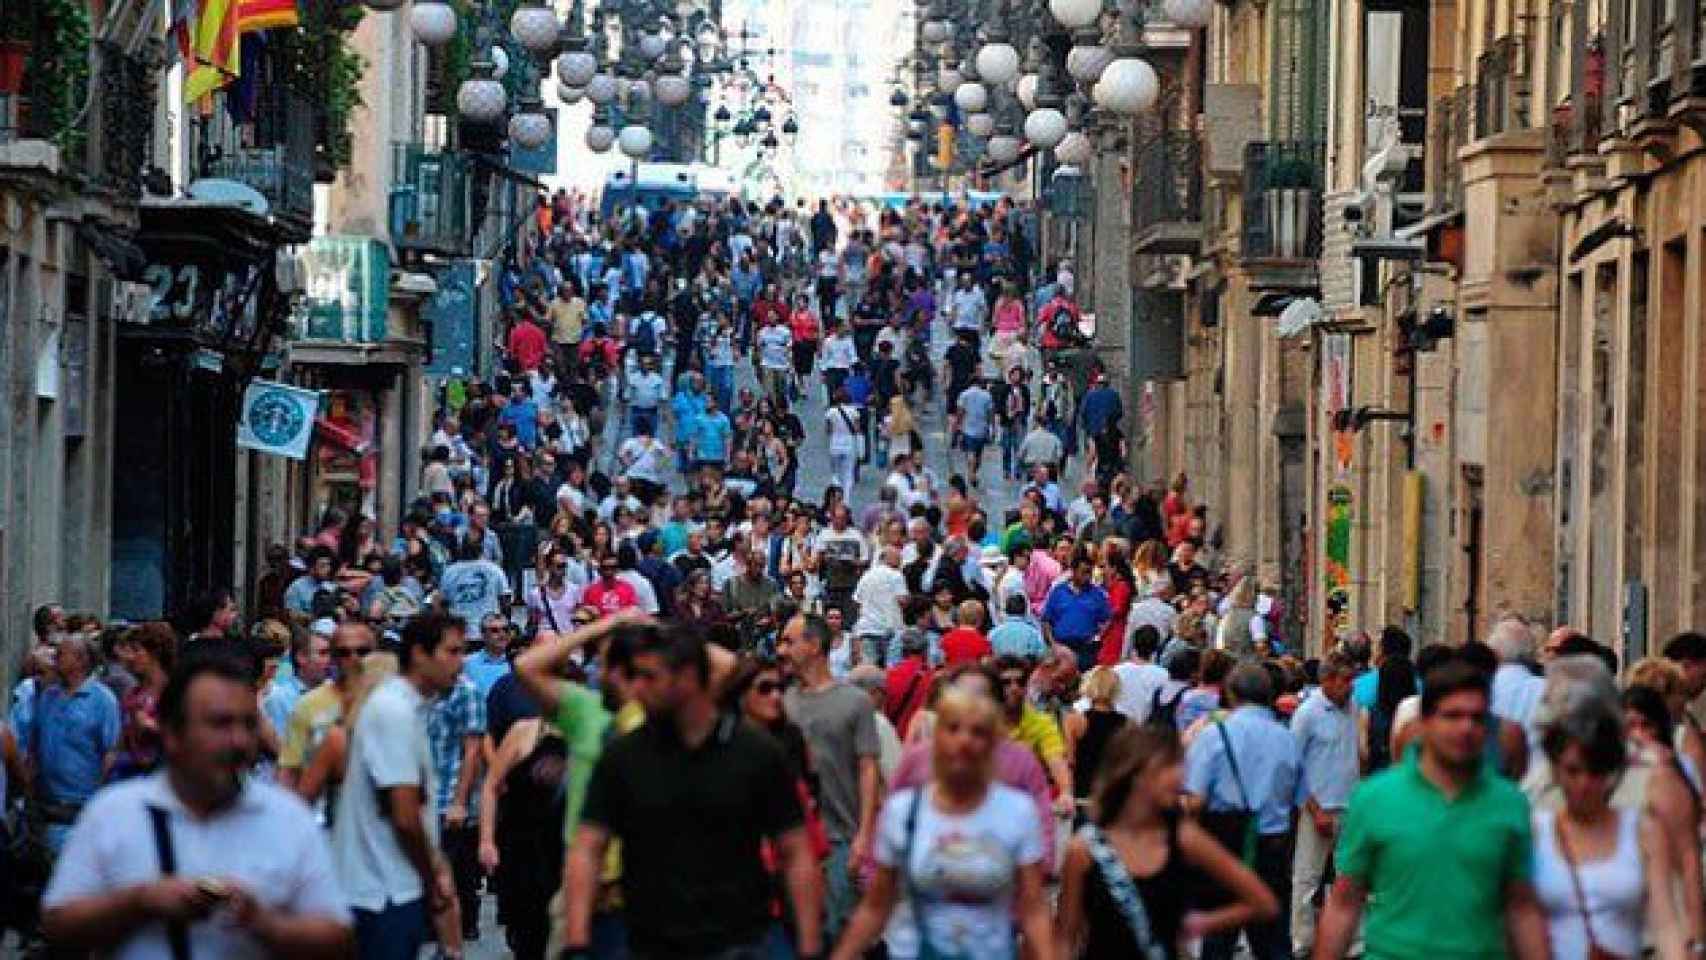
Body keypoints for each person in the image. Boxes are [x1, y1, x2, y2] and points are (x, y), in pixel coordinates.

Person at [41, 657, 353, 957]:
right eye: (220, 724)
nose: (239, 740)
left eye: (248, 724)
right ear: (173, 734)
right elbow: (57, 927)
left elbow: (338, 939)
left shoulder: (288, 819)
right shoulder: (114, 813)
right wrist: (138, 902)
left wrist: (264, 923)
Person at [565, 622, 824, 958]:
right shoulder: (623, 757)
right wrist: (577, 941)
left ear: (687, 678)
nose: (638, 689)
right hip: (652, 942)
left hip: (740, 941)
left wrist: (809, 944)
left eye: (650, 677)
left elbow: (796, 851)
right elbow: (587, 846)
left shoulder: (755, 753)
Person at [1314, 660, 1551, 960]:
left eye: (1477, 718)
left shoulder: (1509, 803)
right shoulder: (1375, 799)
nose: (1466, 728)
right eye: (1452, 716)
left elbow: (1522, 906)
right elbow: (1345, 902)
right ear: (1424, 723)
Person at [830, 685, 1055, 960]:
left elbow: (1033, 909)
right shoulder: (905, 812)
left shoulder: (1017, 813)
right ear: (936, 737)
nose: (964, 740)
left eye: (978, 731)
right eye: (953, 728)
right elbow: (877, 905)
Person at [1055, 725, 1279, 957]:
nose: (1181, 776)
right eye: (1168, 766)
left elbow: (1263, 902)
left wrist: (1201, 923)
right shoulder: (1083, 850)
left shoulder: (1184, 838)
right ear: (1135, 774)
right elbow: (1065, 937)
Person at [332, 612, 467, 960]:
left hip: (394, 890)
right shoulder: (393, 711)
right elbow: (404, 814)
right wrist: (432, 874)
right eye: (451, 652)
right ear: (420, 654)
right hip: (382, 893)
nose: (459, 662)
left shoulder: (406, 709)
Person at [1532, 692, 1681, 960]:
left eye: (1596, 771)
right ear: (1555, 770)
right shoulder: (1534, 831)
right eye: (1573, 771)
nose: (1584, 784)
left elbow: (1666, 920)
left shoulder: (1643, 831)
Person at [1184, 662, 1301, 960]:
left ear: (1231, 694)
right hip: (1272, 847)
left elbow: (1195, 801)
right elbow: (1298, 799)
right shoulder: (1286, 738)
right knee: (1273, 941)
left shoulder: (1213, 736)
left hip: (1223, 845)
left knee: (1218, 941)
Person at [777, 613, 881, 943]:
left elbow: (868, 769)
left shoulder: (855, 702)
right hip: (793, 839)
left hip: (840, 838)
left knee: (839, 932)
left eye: (789, 641)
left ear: (814, 645)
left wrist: (864, 835)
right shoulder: (781, 703)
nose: (782, 650)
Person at [477, 709, 566, 960]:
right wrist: (486, 840)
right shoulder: (523, 732)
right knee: (528, 936)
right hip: (524, 850)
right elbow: (491, 786)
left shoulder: (589, 733)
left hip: (567, 849)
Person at [1289, 652, 1362, 957]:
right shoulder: (1308, 714)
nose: (1351, 687)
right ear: (1327, 681)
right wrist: (1314, 809)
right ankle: (1302, 941)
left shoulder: (1352, 708)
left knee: (1352, 876)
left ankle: (1354, 941)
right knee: (1307, 878)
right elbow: (1293, 765)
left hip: (1350, 804)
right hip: (1319, 806)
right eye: (1346, 681)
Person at [27, 635, 121, 852]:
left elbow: (110, 752)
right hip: (45, 804)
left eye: (62, 653)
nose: (55, 657)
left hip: (80, 806)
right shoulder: (49, 696)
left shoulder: (102, 701)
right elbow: (35, 742)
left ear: (80, 660)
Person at [1064, 666, 1130, 821]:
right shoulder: (1127, 724)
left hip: (1083, 793)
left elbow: (1070, 760)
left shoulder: (1075, 721)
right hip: (1113, 795)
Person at [1041, 554, 1113, 671]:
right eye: (1084, 572)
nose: (1088, 576)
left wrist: (1098, 636)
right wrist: (1053, 644)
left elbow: (1108, 618)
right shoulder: (1059, 592)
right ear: (1073, 571)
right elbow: (1046, 620)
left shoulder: (1097, 594)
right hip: (1062, 647)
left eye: (1089, 572)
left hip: (1086, 649)